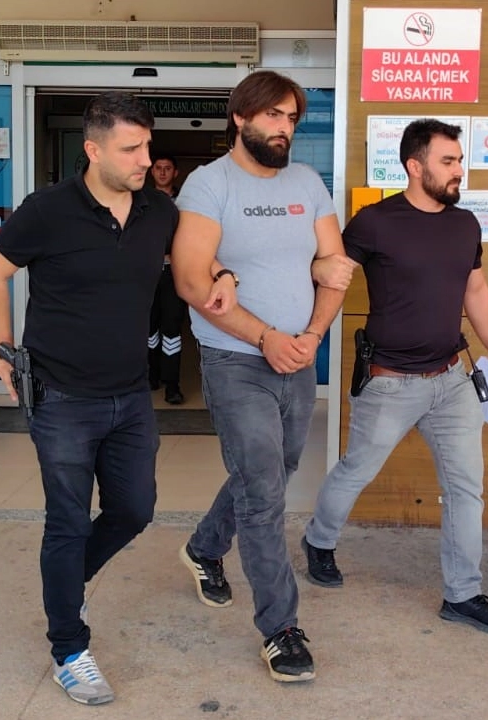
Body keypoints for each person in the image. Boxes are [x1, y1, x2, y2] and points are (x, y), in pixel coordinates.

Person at [0, 92, 183, 706]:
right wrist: (1, 347)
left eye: (147, 146)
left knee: (135, 510)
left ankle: (67, 585)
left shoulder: (159, 211)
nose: (145, 159)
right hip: (61, 397)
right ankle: (69, 648)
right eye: (131, 148)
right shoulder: (47, 210)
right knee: (67, 522)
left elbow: (193, 262)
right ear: (93, 150)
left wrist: (223, 276)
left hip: (130, 395)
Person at [302, 118, 488, 636]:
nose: (458, 170)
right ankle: (319, 540)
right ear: (414, 166)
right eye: (448, 161)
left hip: (452, 379)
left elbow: (475, 290)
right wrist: (311, 329)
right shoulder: (375, 222)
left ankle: (462, 594)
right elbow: (333, 275)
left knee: (466, 488)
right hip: (390, 381)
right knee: (356, 470)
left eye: (459, 160)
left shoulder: (465, 224)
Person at [171, 71, 349, 683]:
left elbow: (334, 266)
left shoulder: (307, 183)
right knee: (264, 492)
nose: (284, 128)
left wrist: (311, 336)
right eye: (273, 115)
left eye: (292, 118)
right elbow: (191, 279)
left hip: (298, 356)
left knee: (274, 471)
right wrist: (265, 337)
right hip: (236, 360)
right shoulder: (209, 184)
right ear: (240, 117)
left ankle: (203, 548)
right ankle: (281, 629)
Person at [147, 152, 188, 404]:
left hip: (175, 273)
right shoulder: (140, 198)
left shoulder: (187, 201)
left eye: (168, 168)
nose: (162, 172)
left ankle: (172, 385)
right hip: (147, 273)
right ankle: (151, 376)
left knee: (172, 329)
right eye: (158, 167)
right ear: (152, 171)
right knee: (148, 328)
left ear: (175, 172)